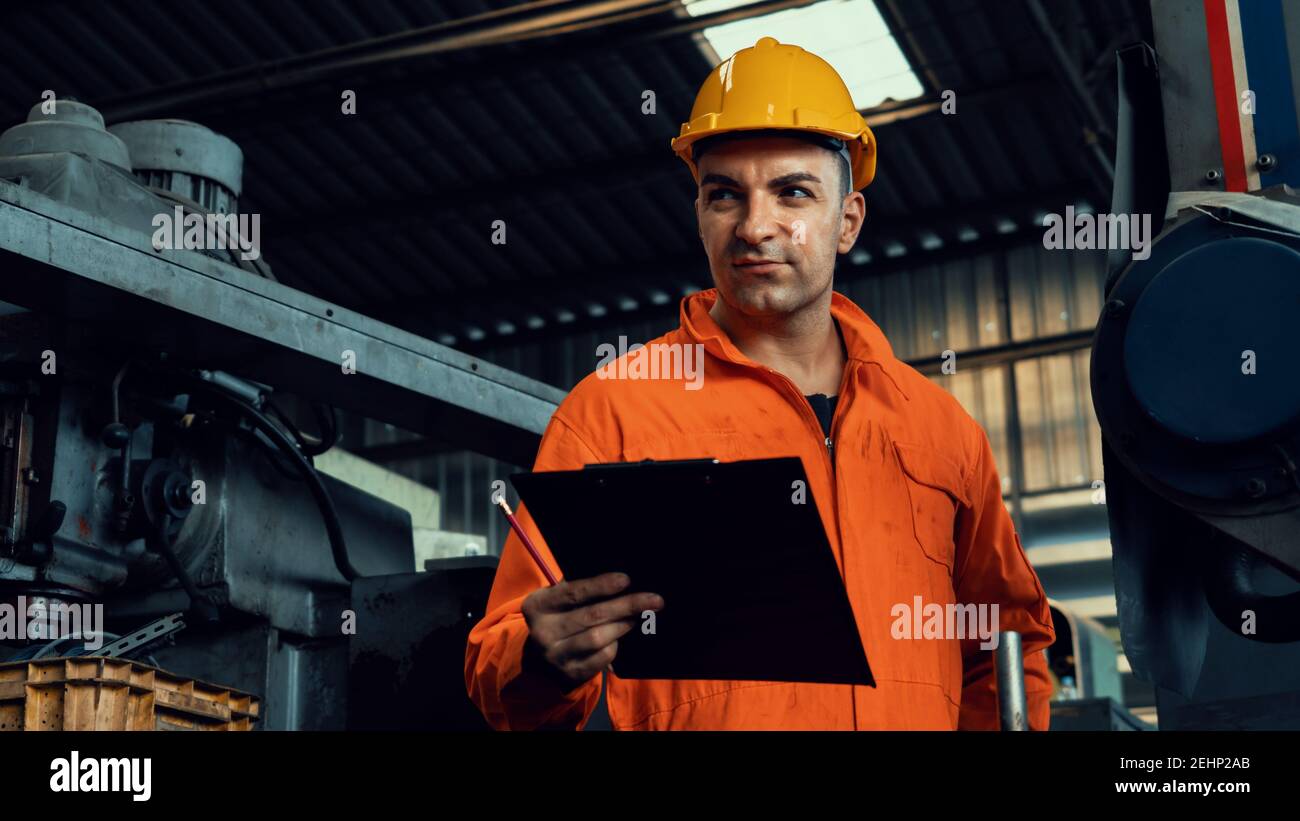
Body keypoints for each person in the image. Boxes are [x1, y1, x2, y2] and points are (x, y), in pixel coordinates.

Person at [465, 36, 1055, 730]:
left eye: (793, 193)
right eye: (724, 195)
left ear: (848, 222)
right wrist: (537, 656)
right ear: (699, 217)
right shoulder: (615, 410)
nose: (754, 226)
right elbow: (499, 666)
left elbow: (1009, 644)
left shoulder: (940, 430)